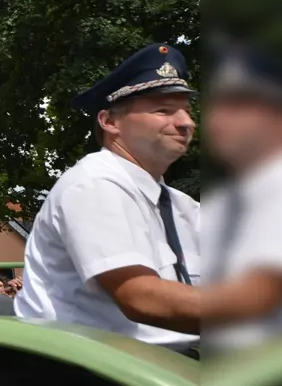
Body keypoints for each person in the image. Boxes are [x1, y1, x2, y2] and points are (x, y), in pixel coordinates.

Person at [15, 44, 201, 351]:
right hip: (87, 374)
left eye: (187, 111)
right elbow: (139, 296)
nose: (186, 122)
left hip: (165, 362)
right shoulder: (92, 185)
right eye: (163, 110)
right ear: (110, 122)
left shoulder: (182, 205)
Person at [199, 44, 282, 348]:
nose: (220, 118)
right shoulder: (221, 203)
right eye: (218, 105)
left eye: (240, 105)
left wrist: (153, 303)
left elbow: (258, 296)